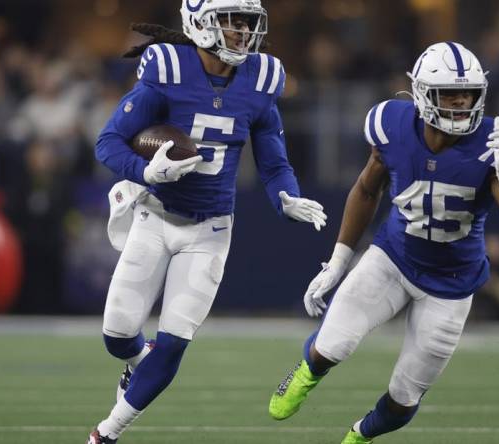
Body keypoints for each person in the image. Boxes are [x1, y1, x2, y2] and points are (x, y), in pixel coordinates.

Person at [268, 42, 499, 444]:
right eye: (450, 94)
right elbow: (365, 189)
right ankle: (306, 371)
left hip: (452, 283)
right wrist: (339, 261)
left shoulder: (493, 143)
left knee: (404, 397)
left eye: (469, 94)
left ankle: (359, 436)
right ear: (423, 95)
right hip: (393, 258)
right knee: (332, 345)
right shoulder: (392, 124)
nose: (462, 103)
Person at [87, 1, 327, 443]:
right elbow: (108, 143)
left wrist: (285, 196)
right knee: (118, 335)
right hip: (155, 216)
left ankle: (106, 433)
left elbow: (274, 165)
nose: (240, 32)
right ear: (198, 24)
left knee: (175, 342)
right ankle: (140, 365)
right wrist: (147, 171)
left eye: (247, 22)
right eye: (229, 21)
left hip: (211, 230)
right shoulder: (167, 70)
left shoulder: (261, 79)